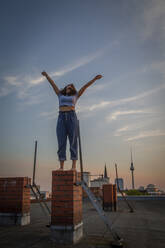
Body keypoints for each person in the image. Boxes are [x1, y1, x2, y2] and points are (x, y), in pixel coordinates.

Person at [41, 71, 103, 170]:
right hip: (61, 118)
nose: (68, 88)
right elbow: (53, 85)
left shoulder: (76, 96)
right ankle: (61, 167)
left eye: (70, 87)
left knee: (73, 141)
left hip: (71, 117)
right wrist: (47, 76)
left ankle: (73, 166)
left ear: (73, 89)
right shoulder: (59, 95)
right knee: (61, 142)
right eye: (67, 87)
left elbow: (85, 86)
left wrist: (94, 79)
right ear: (65, 89)